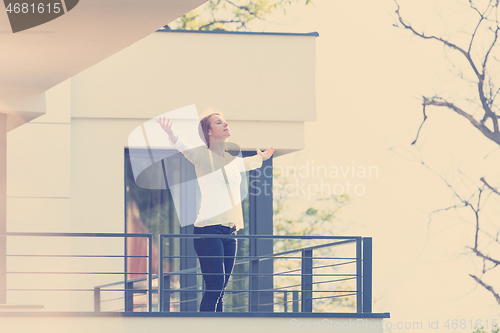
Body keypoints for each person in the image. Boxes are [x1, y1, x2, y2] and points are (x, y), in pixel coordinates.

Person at [157, 112, 274, 312]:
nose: (226, 123)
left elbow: (249, 163)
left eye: (225, 121)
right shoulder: (203, 156)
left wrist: (261, 157)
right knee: (215, 287)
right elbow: (184, 148)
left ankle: (216, 324)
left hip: (230, 232)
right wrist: (172, 134)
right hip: (208, 231)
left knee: (220, 290)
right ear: (209, 131)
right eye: (219, 122)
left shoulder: (233, 161)